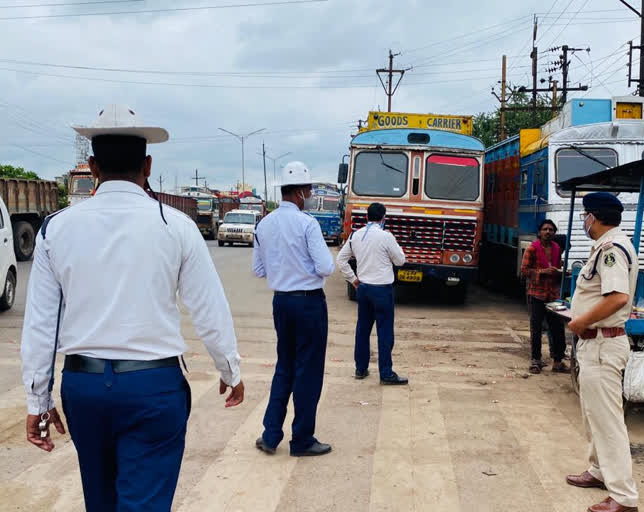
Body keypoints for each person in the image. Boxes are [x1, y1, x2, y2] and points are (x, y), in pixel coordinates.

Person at [20, 104, 244, 511]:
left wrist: (38, 400)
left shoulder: (57, 228)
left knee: (100, 501)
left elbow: (40, 324)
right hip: (154, 390)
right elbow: (209, 308)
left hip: (84, 387)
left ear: (91, 167)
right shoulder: (176, 227)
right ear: (148, 165)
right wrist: (229, 369)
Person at [252, 161, 335, 457]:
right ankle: (301, 439)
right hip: (309, 303)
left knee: (284, 366)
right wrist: (307, 271)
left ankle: (271, 434)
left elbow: (259, 270)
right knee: (308, 371)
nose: (310, 193)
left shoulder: (264, 224)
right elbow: (326, 266)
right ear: (300, 192)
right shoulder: (307, 224)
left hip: (282, 303)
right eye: (309, 189)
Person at [565, 192, 639, 512]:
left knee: (608, 423)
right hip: (595, 343)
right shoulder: (608, 246)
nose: (584, 221)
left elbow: (617, 297)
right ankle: (598, 470)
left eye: (585, 216)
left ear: (594, 217)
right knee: (593, 415)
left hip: (603, 345)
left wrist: (580, 320)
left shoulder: (611, 250)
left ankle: (623, 497)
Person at [337, 202, 408, 384]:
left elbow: (341, 259)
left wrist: (353, 279)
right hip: (382, 290)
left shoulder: (355, 235)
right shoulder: (386, 237)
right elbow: (400, 261)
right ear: (384, 217)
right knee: (384, 332)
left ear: (367, 217)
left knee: (362, 329)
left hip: (363, 288)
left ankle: (360, 369)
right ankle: (386, 373)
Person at [520, 219, 569, 374]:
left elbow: (558, 267)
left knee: (557, 329)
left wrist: (561, 272)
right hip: (537, 294)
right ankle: (535, 360)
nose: (548, 232)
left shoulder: (556, 248)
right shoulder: (532, 249)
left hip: (553, 295)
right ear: (539, 232)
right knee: (536, 329)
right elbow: (524, 271)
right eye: (545, 229)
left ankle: (557, 361)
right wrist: (543, 272)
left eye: (551, 229)